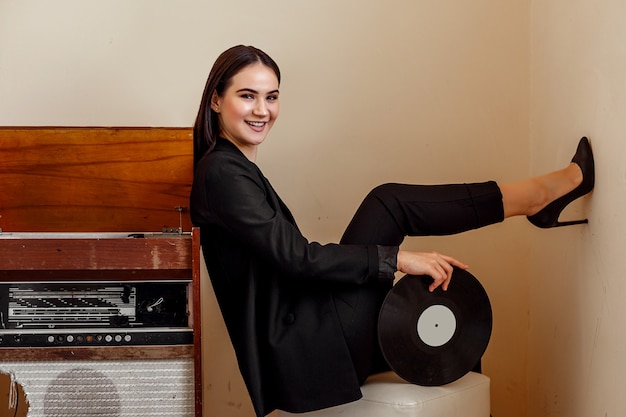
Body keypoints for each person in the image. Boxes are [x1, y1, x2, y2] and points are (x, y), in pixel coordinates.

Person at [190, 45, 594, 417]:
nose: (262, 110)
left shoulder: (230, 168)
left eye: (271, 96)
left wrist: (388, 262)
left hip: (312, 337)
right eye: (247, 96)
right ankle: (537, 197)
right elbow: (298, 258)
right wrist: (397, 259)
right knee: (390, 206)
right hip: (307, 348)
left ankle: (536, 199)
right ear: (215, 99)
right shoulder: (222, 173)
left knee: (436, 301)